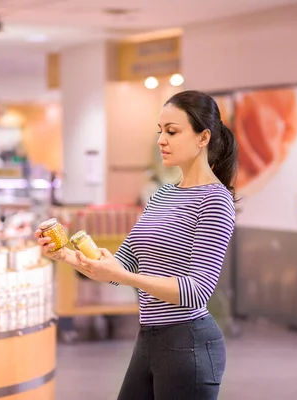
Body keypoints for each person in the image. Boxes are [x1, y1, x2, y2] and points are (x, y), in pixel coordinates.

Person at [36, 90, 237, 399]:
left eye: (172, 131)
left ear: (203, 137)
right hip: (149, 339)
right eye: (160, 131)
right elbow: (124, 264)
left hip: (189, 344)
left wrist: (127, 278)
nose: (161, 140)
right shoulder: (162, 195)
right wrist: (65, 255)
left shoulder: (215, 200)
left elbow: (197, 290)